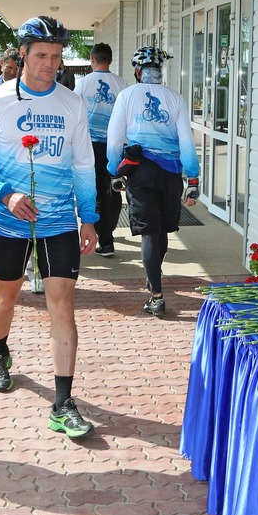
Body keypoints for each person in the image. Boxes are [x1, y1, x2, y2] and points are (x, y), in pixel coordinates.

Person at [0, 15, 98, 439]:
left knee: (62, 306)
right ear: (22, 55)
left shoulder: (72, 103)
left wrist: (90, 218)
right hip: (10, 223)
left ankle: (63, 402)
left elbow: (85, 165)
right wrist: (5, 195)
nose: (51, 64)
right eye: (43, 55)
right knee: (5, 299)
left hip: (60, 222)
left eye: (57, 56)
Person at [106, 47, 200, 317]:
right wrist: (192, 177)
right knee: (160, 231)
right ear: (161, 71)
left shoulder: (126, 96)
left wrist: (114, 171)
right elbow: (186, 141)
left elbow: (114, 139)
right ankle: (154, 278)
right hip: (171, 172)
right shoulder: (175, 98)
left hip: (141, 171)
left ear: (138, 71)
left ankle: (155, 294)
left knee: (149, 230)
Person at [73, 43, 128, 257]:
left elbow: (74, 113)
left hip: (90, 146)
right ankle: (108, 232)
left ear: (92, 59)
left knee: (94, 190)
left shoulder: (83, 83)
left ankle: (105, 239)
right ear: (110, 60)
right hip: (116, 146)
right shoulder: (121, 84)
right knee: (112, 190)